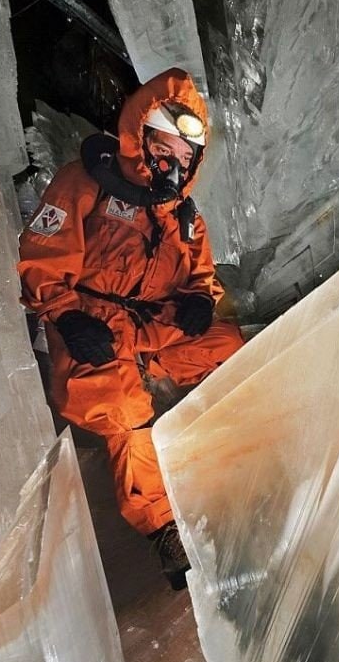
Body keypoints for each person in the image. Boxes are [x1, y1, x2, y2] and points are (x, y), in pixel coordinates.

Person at [18, 68, 244, 590]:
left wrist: (198, 303)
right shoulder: (85, 184)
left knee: (232, 345)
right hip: (96, 331)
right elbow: (42, 260)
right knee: (124, 409)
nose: (178, 161)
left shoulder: (184, 217)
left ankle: (243, 447)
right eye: (170, 144)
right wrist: (67, 316)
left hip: (156, 334)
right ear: (140, 134)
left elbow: (203, 278)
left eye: (189, 154)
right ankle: (162, 527)